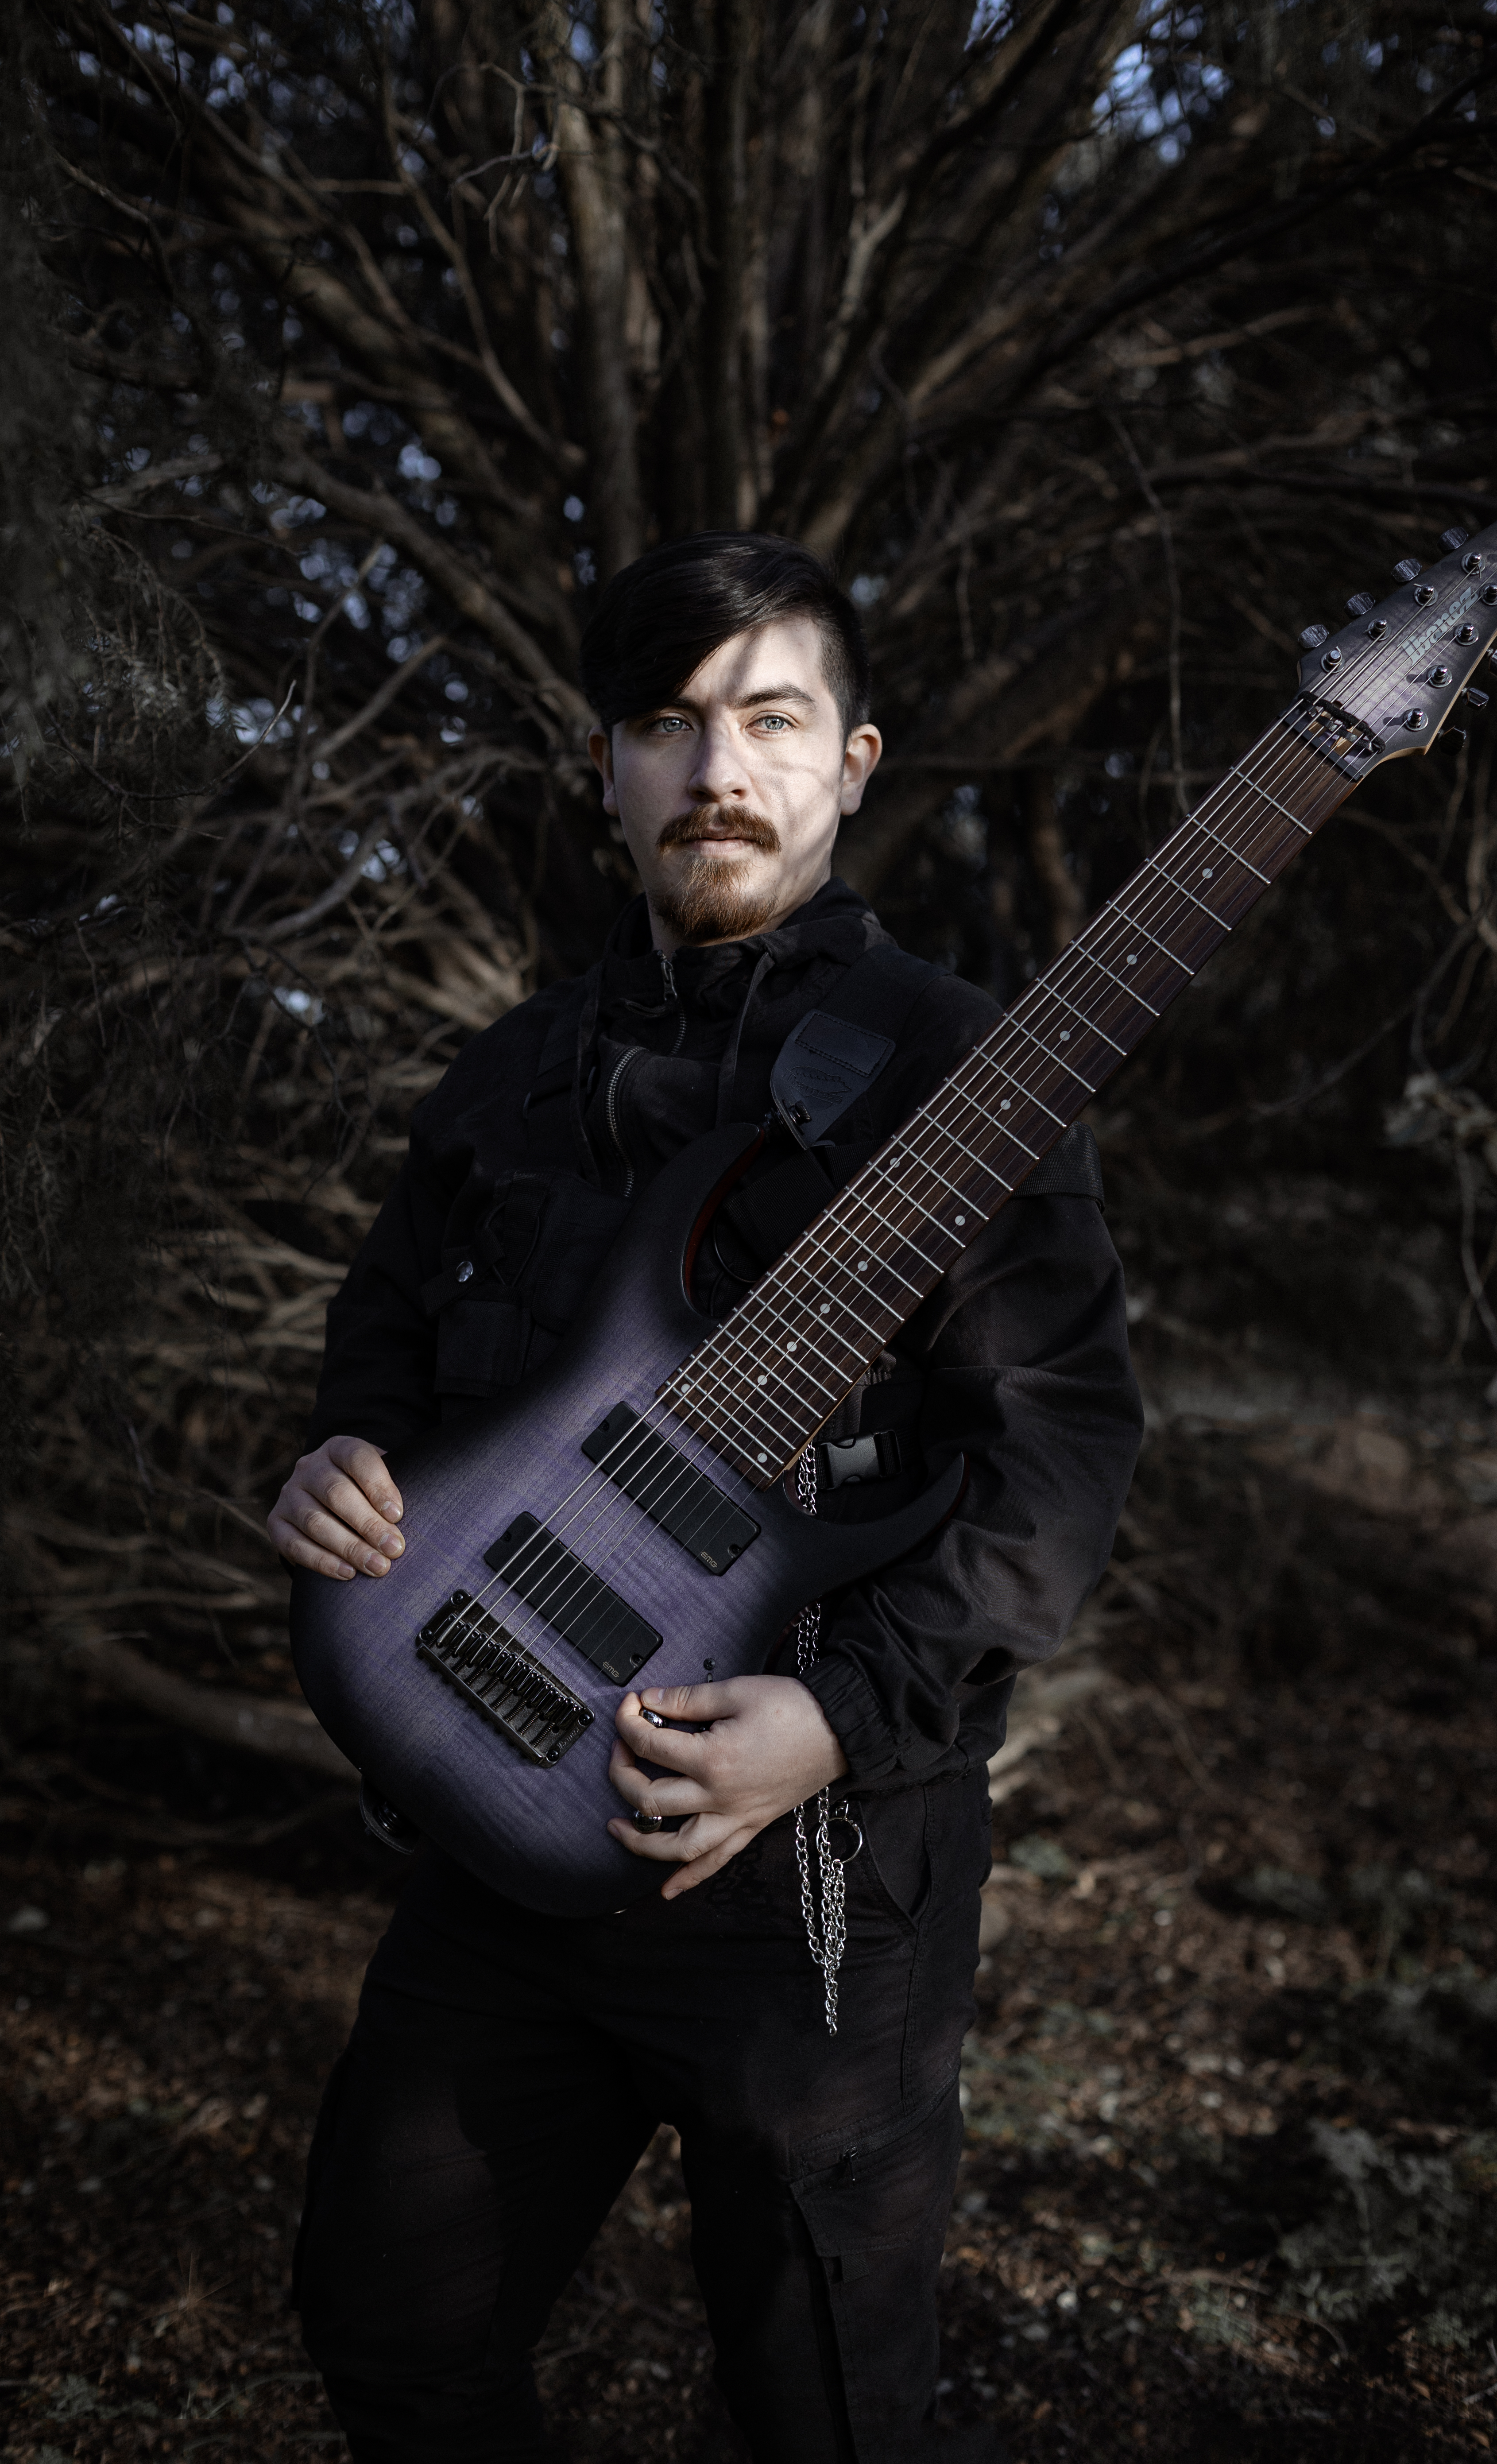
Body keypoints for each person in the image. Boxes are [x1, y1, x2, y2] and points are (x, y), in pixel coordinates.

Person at [269, 532, 1143, 2464]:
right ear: (607, 766)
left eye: (768, 717)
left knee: (817, 2396)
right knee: (389, 2323)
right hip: (494, 1832)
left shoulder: (962, 1068)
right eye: (667, 724)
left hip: (816, 1874)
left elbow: (1062, 1449)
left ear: (853, 757)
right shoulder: (510, 1072)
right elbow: (389, 1349)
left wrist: (835, 1716)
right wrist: (343, 1465)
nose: (716, 765)